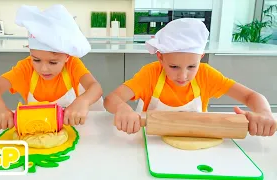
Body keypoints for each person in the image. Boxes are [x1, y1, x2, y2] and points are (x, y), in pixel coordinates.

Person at [104, 18, 276, 136]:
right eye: (174, 67)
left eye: (192, 66)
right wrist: (123, 109)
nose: (183, 75)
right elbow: (112, 99)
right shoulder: (150, 74)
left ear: (200, 57)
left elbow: (250, 96)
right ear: (161, 57)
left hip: (197, 138)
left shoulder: (206, 75)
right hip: (150, 140)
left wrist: (264, 112)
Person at [0, 4, 104, 130]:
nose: (43, 69)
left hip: (70, 128)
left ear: (67, 57)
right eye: (36, 60)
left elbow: (95, 87)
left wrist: (83, 101)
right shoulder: (26, 68)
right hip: (36, 128)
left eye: (53, 62)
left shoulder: (72, 65)